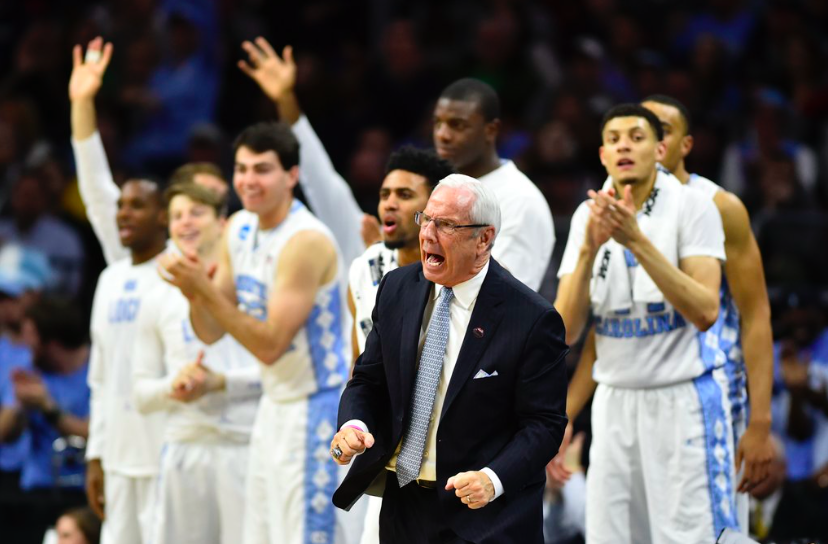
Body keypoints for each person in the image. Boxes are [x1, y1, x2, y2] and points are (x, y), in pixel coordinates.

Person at [552, 95, 776, 532]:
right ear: (601, 153)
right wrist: (587, 249)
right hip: (615, 402)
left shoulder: (702, 206)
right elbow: (573, 333)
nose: (624, 147)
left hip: (686, 397)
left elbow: (712, 311)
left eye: (638, 137)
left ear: (664, 147)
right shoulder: (587, 214)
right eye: (614, 139)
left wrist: (760, 422)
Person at [330, 174, 568, 544]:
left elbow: (544, 424)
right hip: (403, 504)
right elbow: (368, 380)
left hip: (486, 515)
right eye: (426, 219)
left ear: (484, 238)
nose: (427, 234)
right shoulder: (396, 289)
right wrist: (355, 424)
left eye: (446, 225)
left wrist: (492, 479)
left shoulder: (532, 318)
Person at [160, 121, 349, 544]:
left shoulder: (305, 241)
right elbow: (210, 331)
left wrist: (203, 289)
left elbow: (269, 345)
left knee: (305, 535)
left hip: (316, 407)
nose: (248, 180)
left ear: (292, 176)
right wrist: (195, 290)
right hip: (272, 405)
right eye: (241, 168)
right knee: (261, 535)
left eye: (262, 169)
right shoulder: (240, 228)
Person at [238, 39, 555, 291]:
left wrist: (399, 266)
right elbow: (324, 185)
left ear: (491, 130)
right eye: (437, 123)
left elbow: (504, 303)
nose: (443, 135)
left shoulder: (520, 200)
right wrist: (287, 102)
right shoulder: (378, 252)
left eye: (457, 125)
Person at [131, 182, 261, 544]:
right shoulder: (155, 297)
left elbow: (279, 373)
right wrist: (173, 386)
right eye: (176, 215)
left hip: (242, 445)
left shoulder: (249, 289)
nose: (185, 222)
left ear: (222, 222)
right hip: (183, 448)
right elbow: (141, 394)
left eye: (196, 212)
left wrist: (221, 382)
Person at [346, 147, 454, 543]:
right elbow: (357, 361)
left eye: (405, 195)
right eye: (385, 194)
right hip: (385, 451)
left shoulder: (466, 276)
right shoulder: (363, 269)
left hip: (444, 461)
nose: (390, 203)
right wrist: (354, 422)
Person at [70, 37, 228, 267]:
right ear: (166, 217)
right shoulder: (120, 266)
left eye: (200, 210)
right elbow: (96, 188)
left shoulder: (228, 266)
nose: (188, 222)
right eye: (181, 213)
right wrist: (81, 102)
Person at [85, 171, 169, 544]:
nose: (124, 213)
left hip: (164, 453)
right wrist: (95, 454)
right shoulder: (109, 279)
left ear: (163, 215)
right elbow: (100, 377)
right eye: (120, 205)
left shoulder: (178, 273)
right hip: (117, 456)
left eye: (137, 205)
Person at [1, 297, 90, 544]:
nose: (25, 344)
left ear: (51, 341)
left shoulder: (94, 370)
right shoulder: (30, 369)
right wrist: (19, 404)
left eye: (31, 337)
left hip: (83, 495)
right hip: (36, 491)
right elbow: (5, 434)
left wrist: (48, 407)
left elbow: (94, 433)